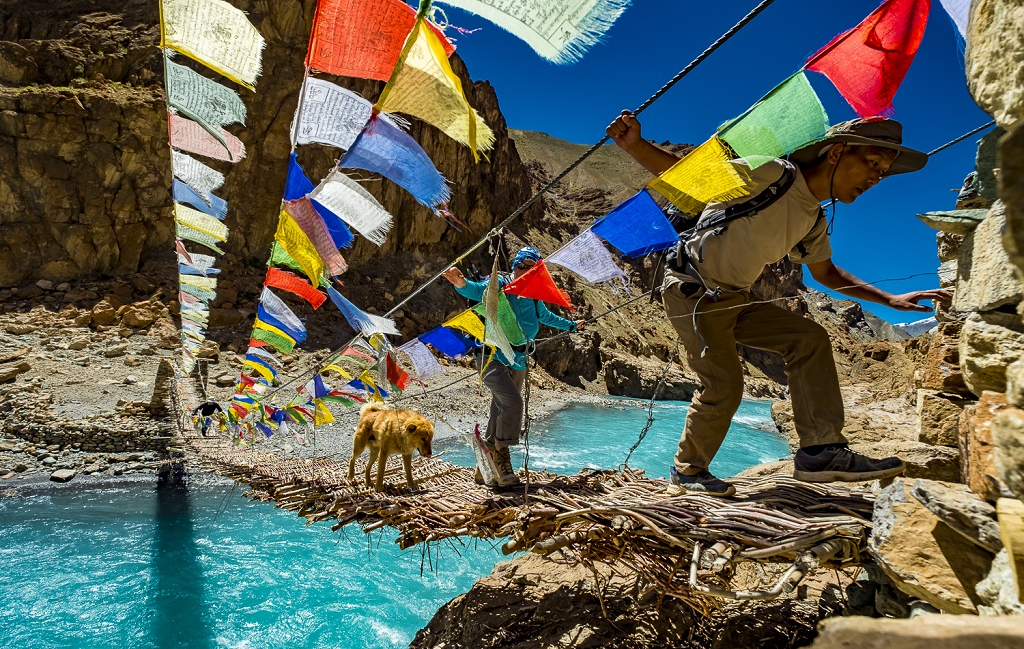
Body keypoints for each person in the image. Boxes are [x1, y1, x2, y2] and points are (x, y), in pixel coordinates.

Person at [606, 111, 951, 497]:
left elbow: (827, 275)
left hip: (735, 298)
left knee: (808, 338)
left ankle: (820, 452)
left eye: (883, 172)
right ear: (836, 153)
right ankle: (688, 472)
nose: (875, 178)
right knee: (723, 383)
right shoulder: (772, 174)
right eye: (872, 163)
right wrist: (636, 144)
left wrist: (889, 299)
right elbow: (692, 181)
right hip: (694, 291)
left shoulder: (814, 220)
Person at [442, 247, 585, 488]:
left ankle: (484, 469)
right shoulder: (499, 283)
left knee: (500, 408)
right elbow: (477, 291)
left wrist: (571, 326)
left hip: (519, 358)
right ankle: (501, 455)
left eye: (532, 269)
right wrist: (460, 282)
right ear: (514, 266)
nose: (525, 272)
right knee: (512, 403)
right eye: (522, 267)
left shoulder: (533, 293)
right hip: (491, 356)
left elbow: (545, 315)